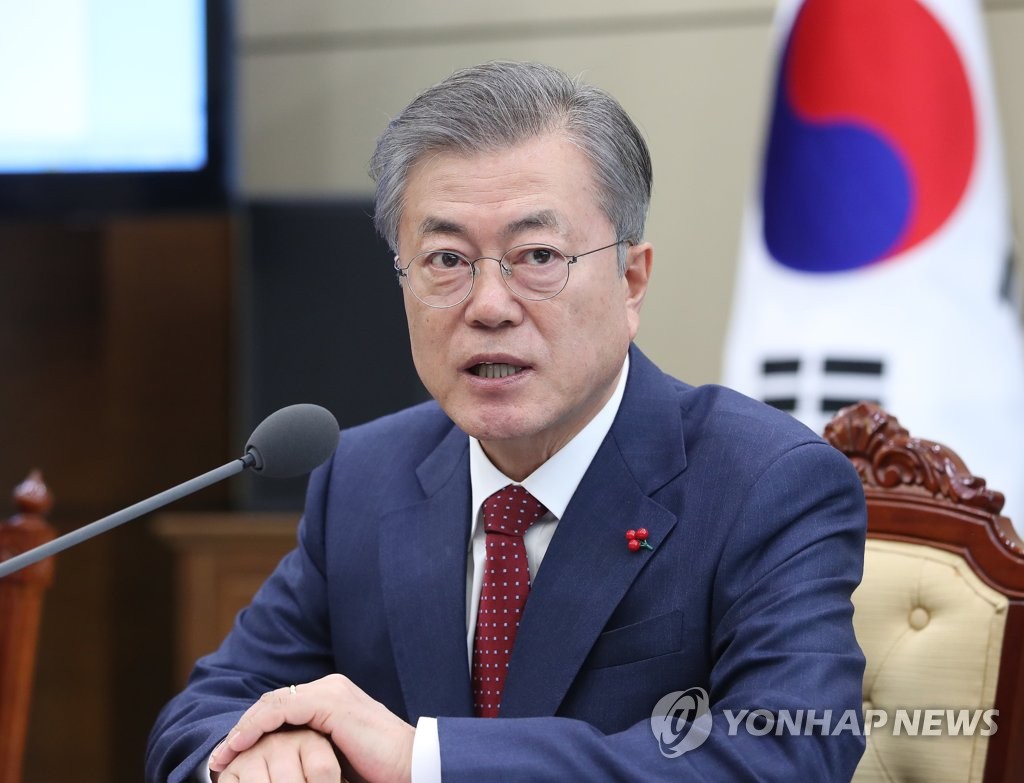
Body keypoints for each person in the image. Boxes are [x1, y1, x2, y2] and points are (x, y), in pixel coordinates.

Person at [146, 60, 867, 782]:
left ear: (631, 280)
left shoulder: (763, 483)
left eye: (538, 256)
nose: (488, 305)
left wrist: (426, 761)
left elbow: (788, 752)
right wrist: (252, 751)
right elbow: (201, 714)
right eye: (446, 259)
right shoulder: (364, 478)